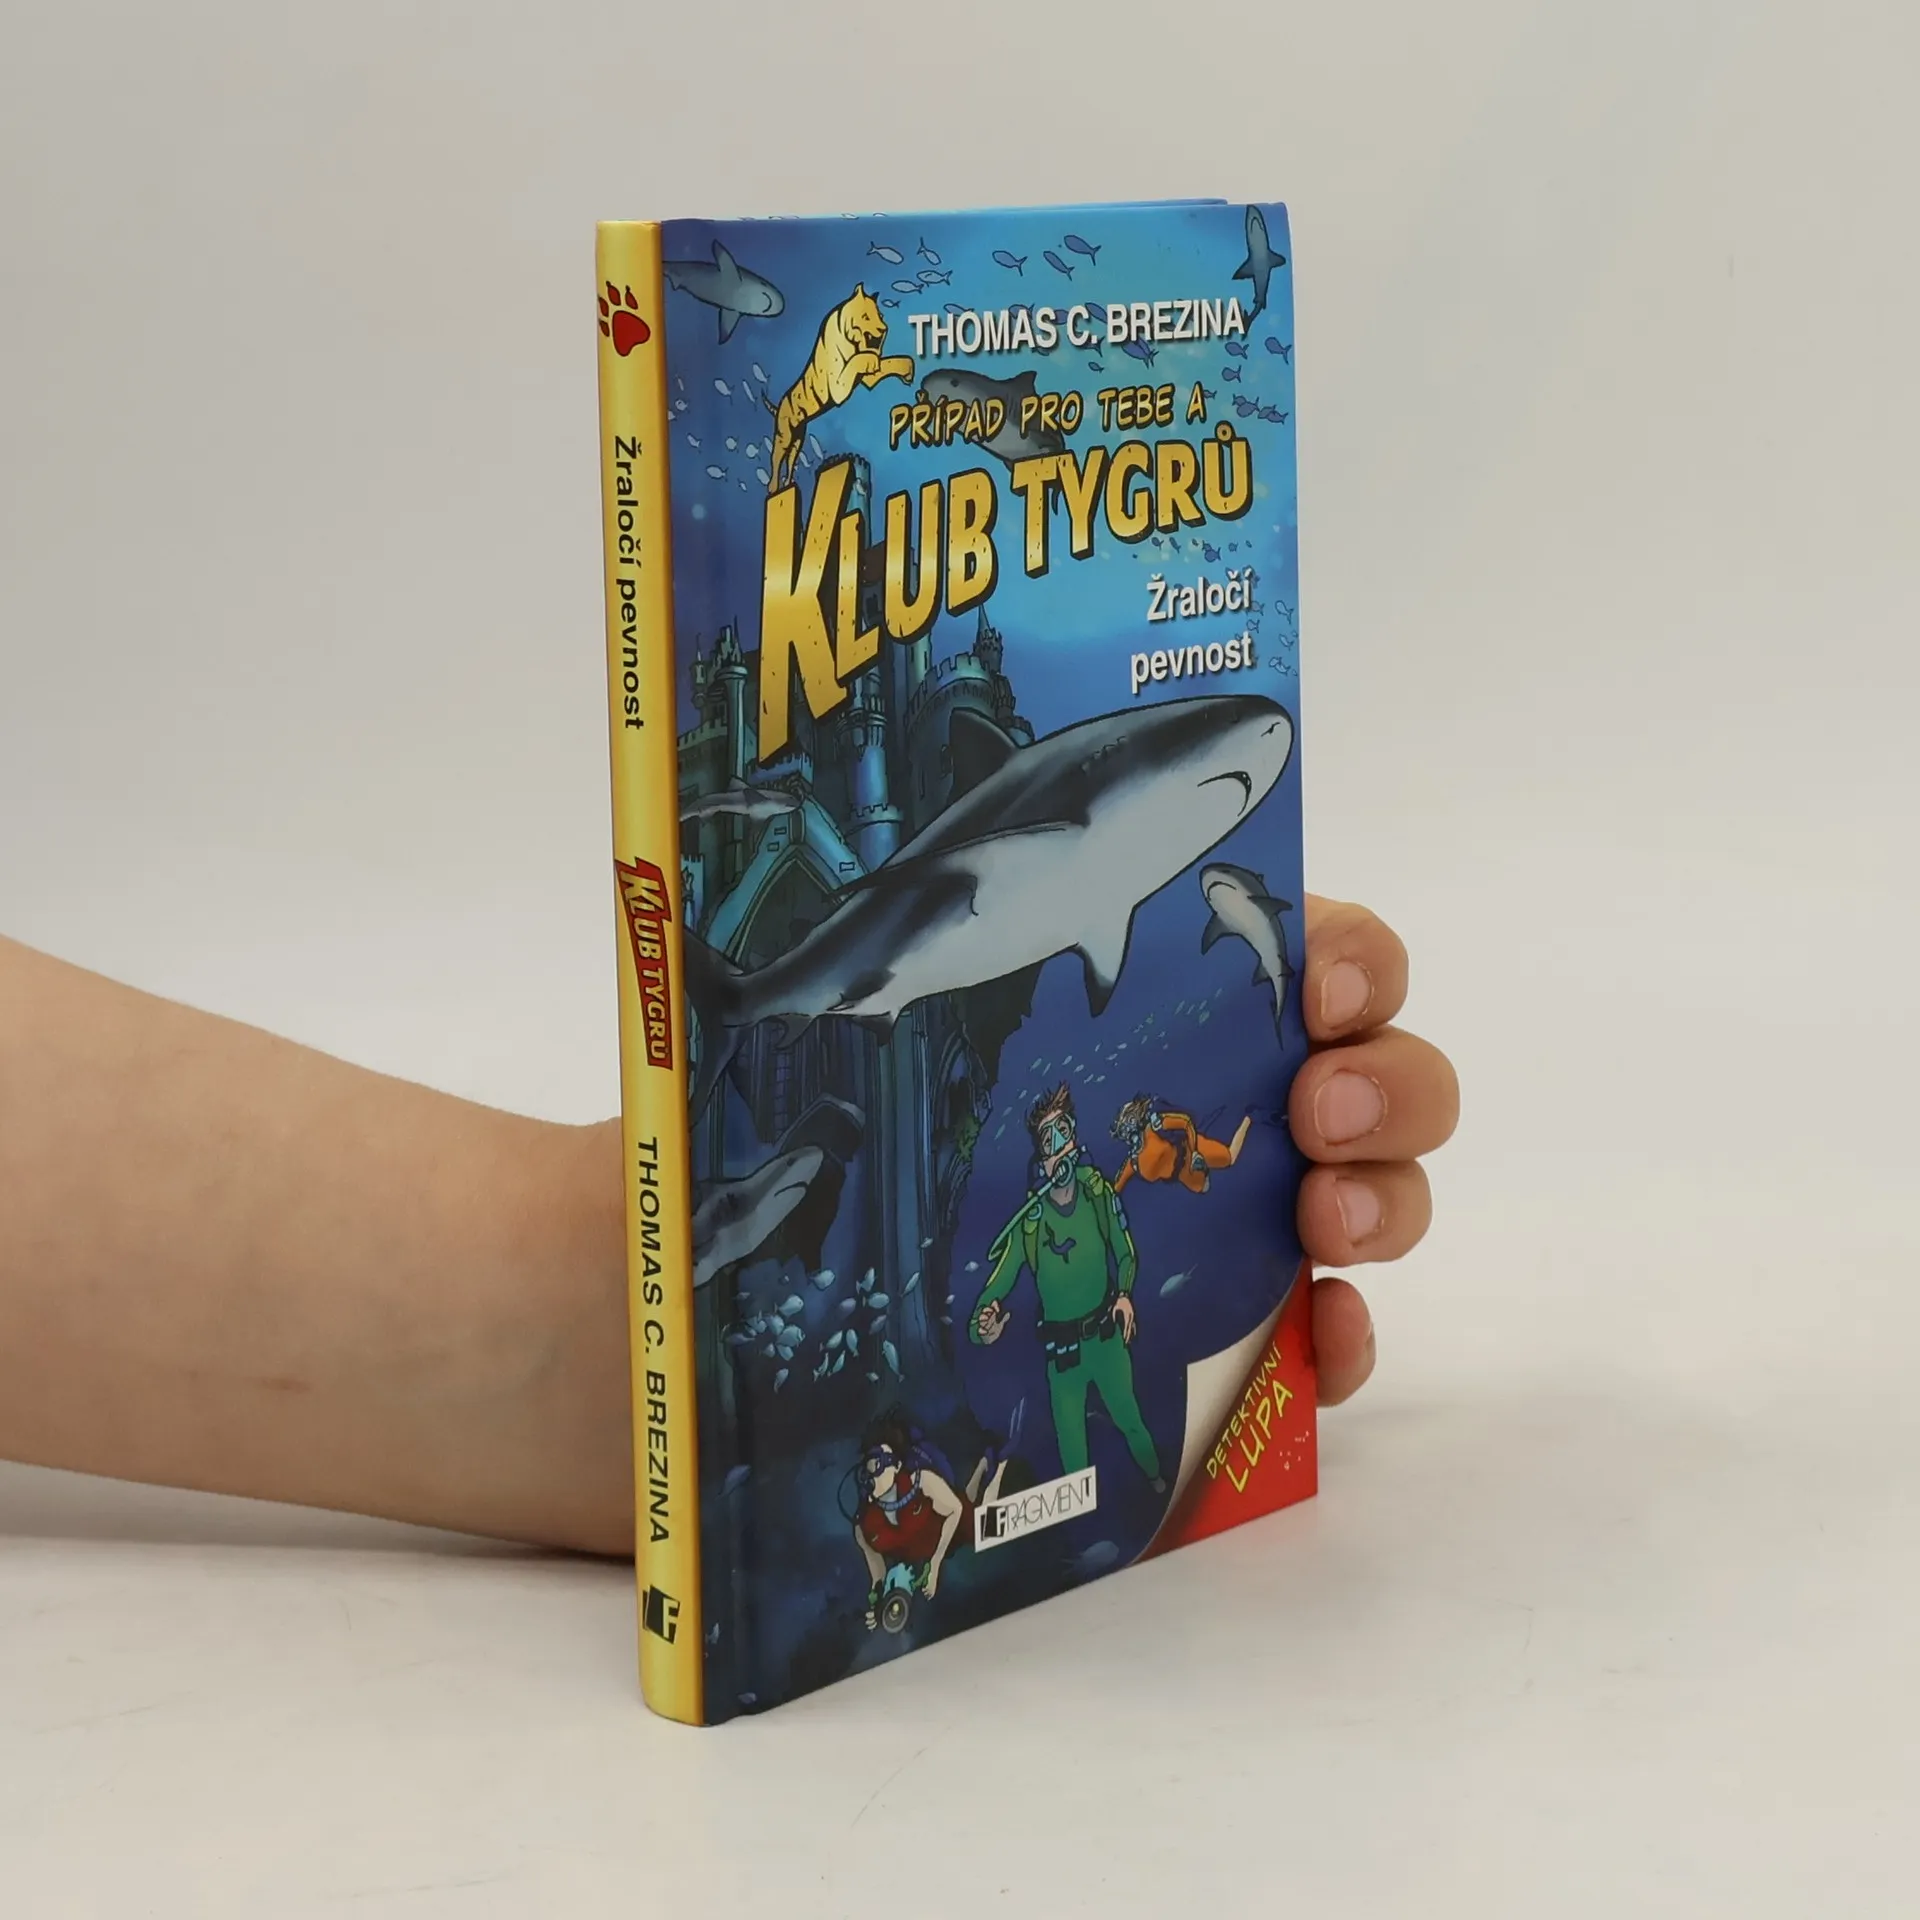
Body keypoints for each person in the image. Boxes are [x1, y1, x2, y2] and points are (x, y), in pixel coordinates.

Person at [0, 897, 1457, 1555]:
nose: (1066, 1149)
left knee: (1125, 1433)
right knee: (1097, 1428)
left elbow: (1094, 1238)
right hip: (1044, 1342)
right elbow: (1023, 1249)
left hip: (1082, 1334)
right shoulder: (1043, 1198)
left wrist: (620, 1306)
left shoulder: (1083, 1186)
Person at [970, 1085, 1163, 1488]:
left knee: (1131, 1419)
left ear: (1075, 1137)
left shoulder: (1098, 1192)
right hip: (1063, 1360)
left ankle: (1158, 1482)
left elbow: (1126, 1253)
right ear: (1042, 1160)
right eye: (1049, 1139)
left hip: (1107, 1339)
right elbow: (992, 1292)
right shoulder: (1030, 1224)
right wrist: (983, 1328)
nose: (1060, 1145)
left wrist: (1125, 1295)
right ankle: (1084, 1519)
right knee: (1072, 1451)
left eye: (1064, 1131)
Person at [1111, 1096, 1252, 1195]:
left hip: (1189, 1149)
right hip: (1181, 1174)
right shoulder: (1134, 1162)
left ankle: (1249, 1118)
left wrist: (1194, 1151)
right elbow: (1116, 1187)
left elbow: (1186, 1122)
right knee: (1203, 1187)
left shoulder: (1155, 1125)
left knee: (1230, 1158)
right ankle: (1202, 1169)